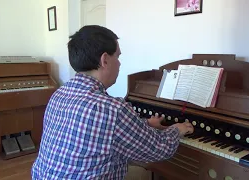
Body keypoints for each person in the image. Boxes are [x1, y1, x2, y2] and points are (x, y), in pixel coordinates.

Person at [31, 25, 194, 179]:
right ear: (105, 60)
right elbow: (158, 149)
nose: (120, 62)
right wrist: (176, 129)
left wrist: (145, 124)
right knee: (142, 173)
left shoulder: (60, 93)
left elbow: (99, 130)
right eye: (118, 56)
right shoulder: (111, 109)